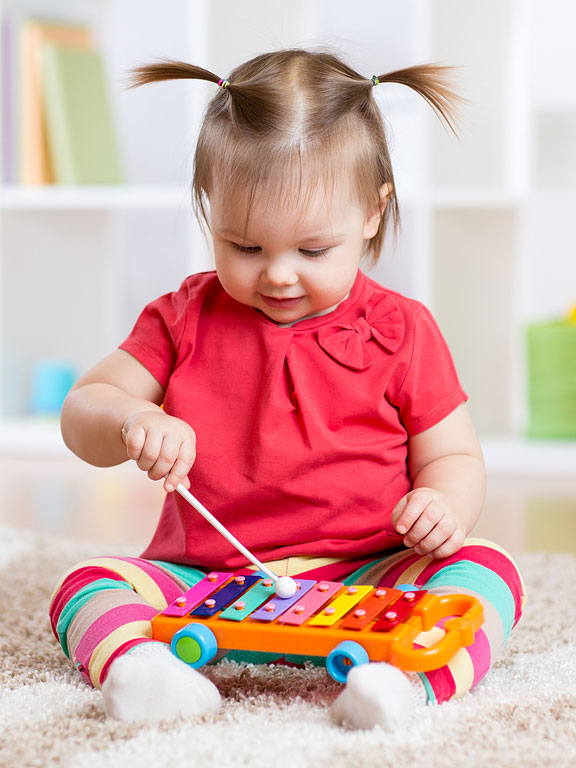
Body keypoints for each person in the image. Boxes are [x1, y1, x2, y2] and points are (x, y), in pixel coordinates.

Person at [50, 48, 526, 730]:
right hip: (208, 580)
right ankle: (144, 673)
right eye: (245, 247)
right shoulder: (184, 317)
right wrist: (128, 417)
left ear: (371, 213)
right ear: (210, 210)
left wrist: (443, 505)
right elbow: (83, 409)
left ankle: (402, 687)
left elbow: (453, 456)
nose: (277, 275)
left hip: (369, 576)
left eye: (312, 251)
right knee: (86, 583)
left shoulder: (404, 330)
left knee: (488, 572)